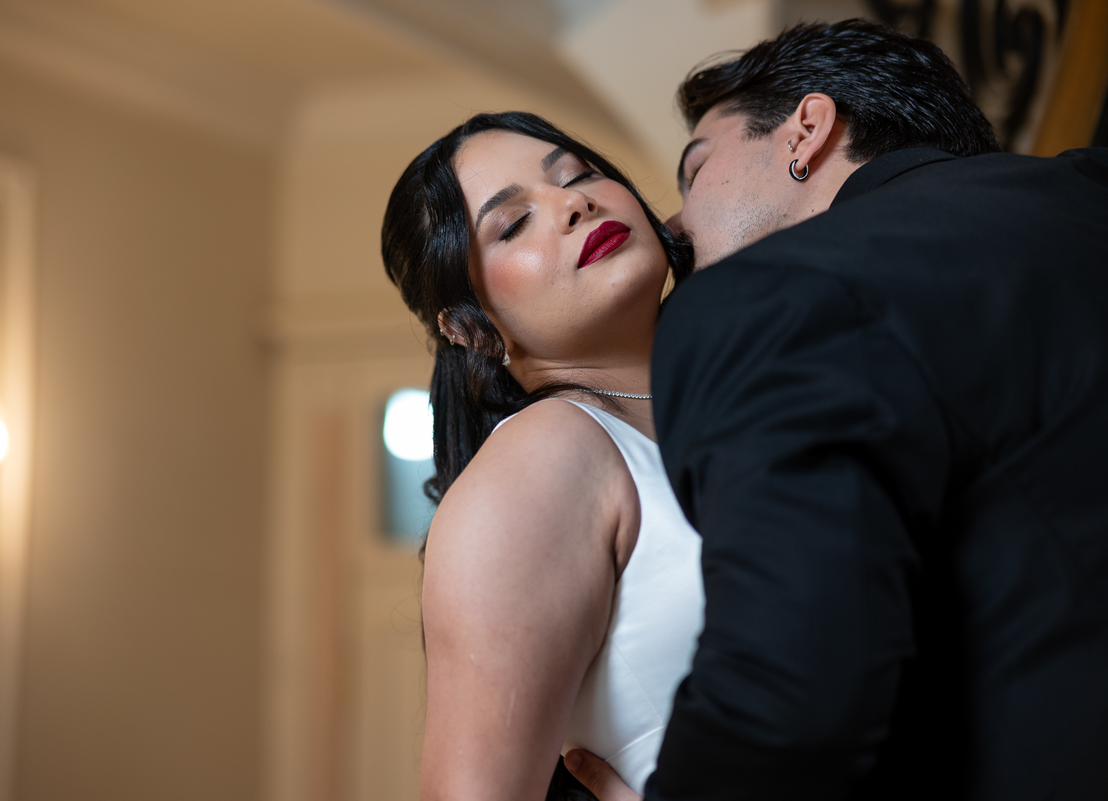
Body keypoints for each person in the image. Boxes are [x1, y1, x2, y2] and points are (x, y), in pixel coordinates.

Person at [561, 20, 1108, 801]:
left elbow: (787, 704)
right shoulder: (1088, 193)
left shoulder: (761, 300)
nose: (676, 226)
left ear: (807, 132)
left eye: (696, 168)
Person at [382, 111, 702, 801]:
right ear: (471, 325)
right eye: (512, 223)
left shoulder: (724, 403)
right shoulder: (541, 460)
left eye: (579, 175)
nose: (573, 203)